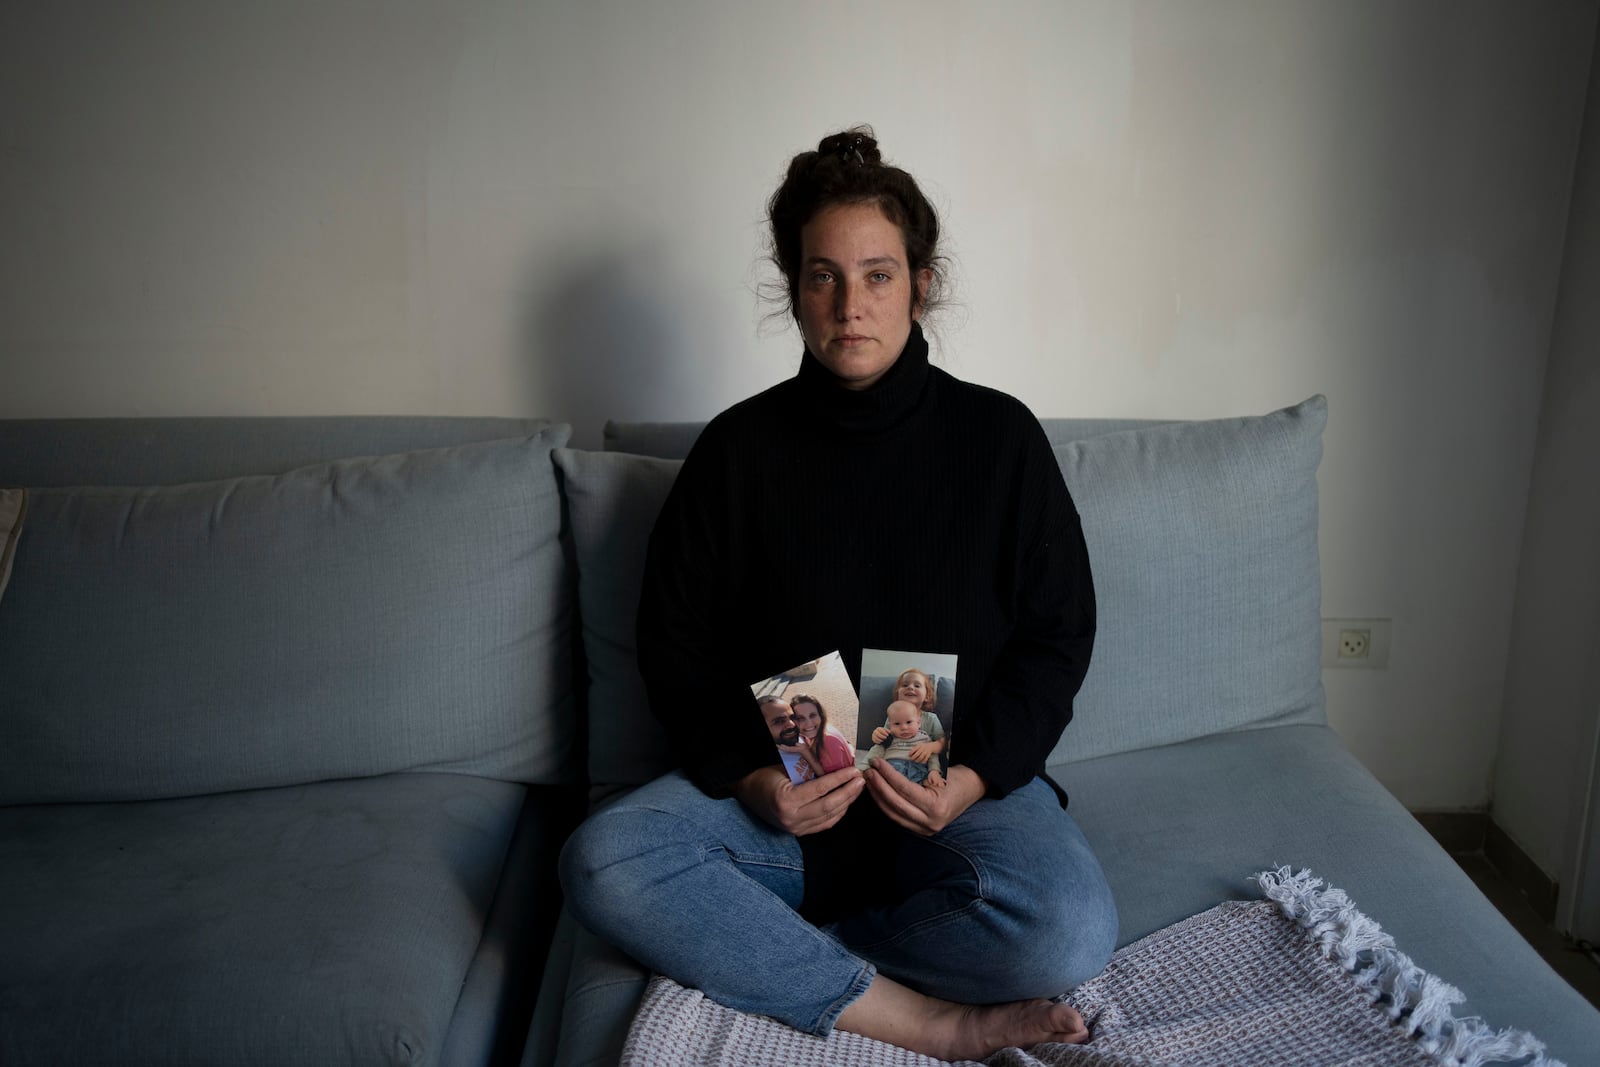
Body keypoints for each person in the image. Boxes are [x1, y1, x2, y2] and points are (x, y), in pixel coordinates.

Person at [560, 126, 1116, 1060]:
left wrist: (971, 777)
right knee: (604, 859)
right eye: (823, 276)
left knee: (1070, 928)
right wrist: (752, 782)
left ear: (921, 281)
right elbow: (675, 647)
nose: (850, 305)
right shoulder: (737, 451)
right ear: (794, 287)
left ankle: (772, 960)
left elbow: (1058, 641)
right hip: (781, 811)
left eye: (878, 275)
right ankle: (928, 1020)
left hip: (957, 799)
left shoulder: (1001, 439)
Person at [871, 668, 947, 767]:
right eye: (905, 685)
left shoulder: (931, 718)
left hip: (921, 766)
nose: (910, 687)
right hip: (895, 763)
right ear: (898, 694)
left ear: (927, 696)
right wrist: (878, 735)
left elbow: (943, 742)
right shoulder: (894, 717)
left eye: (917, 685)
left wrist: (931, 747)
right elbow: (885, 740)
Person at [866, 700, 943, 786]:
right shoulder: (890, 738)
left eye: (909, 722)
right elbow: (877, 751)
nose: (904, 727)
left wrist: (934, 771)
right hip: (892, 768)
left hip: (918, 769)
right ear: (890, 726)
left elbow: (933, 756)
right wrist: (864, 768)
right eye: (897, 724)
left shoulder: (925, 739)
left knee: (932, 783)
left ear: (918, 723)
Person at [789, 693, 855, 774]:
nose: (809, 724)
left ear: (820, 715)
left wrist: (806, 752)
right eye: (800, 718)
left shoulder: (829, 741)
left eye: (812, 715)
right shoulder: (817, 730)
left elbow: (833, 780)